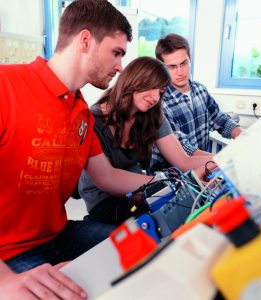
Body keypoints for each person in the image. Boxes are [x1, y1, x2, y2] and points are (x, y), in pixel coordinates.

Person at [0, 1, 156, 299]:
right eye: (116, 52)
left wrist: (169, 180)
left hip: (57, 235)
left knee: (142, 247)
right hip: (8, 252)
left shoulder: (82, 111)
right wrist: (4, 280)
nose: (121, 66)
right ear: (85, 40)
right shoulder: (6, 85)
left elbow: (106, 176)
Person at [78, 56, 213, 226]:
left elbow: (183, 160)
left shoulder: (153, 115)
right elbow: (108, 179)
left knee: (184, 213)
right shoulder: (94, 120)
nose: (156, 97)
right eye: (152, 87)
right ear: (134, 80)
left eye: (161, 91)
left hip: (139, 187)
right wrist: (168, 182)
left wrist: (223, 159)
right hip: (103, 198)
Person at [150, 33, 242, 172]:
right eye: (172, 67)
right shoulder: (160, 102)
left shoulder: (200, 90)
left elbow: (222, 121)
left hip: (203, 168)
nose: (180, 72)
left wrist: (245, 137)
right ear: (161, 67)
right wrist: (224, 161)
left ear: (190, 58)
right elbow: (185, 150)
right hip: (172, 179)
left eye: (183, 63)